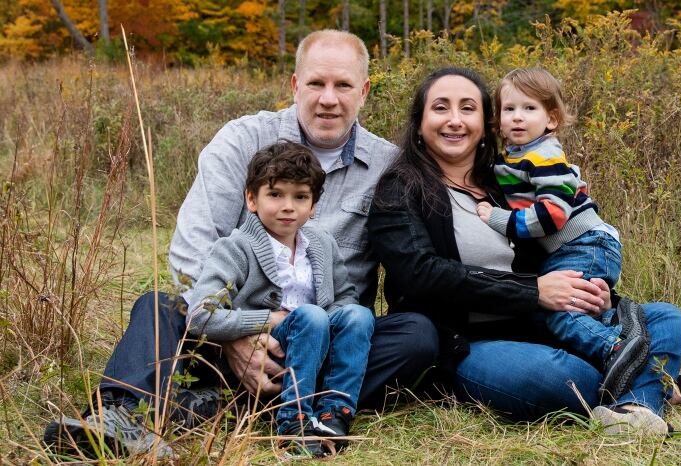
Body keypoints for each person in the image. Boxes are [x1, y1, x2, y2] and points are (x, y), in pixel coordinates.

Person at [43, 29, 438, 457]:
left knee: (415, 336)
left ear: (363, 91)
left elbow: (410, 257)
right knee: (159, 307)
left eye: (343, 85)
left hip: (325, 342)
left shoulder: (387, 165)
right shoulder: (241, 141)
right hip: (222, 334)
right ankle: (121, 414)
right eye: (316, 83)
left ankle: (241, 408)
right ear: (294, 85)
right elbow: (191, 252)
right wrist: (238, 336)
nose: (329, 99)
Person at [367, 67, 681, 436]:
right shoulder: (400, 189)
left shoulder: (508, 181)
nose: (455, 120)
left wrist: (589, 291)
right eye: (440, 108)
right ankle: (656, 383)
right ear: (419, 122)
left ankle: (638, 406)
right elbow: (421, 274)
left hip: (540, 322)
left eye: (468, 108)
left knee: (666, 317)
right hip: (468, 342)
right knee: (564, 376)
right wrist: (536, 291)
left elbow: (561, 244)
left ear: (485, 122)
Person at [188, 141, 373, 458]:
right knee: (312, 316)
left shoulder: (322, 243)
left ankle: (334, 414)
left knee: (359, 315)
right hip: (266, 349)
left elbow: (344, 295)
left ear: (313, 205)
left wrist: (334, 321)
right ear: (251, 199)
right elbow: (200, 316)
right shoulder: (236, 249)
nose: (288, 206)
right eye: (275, 195)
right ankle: (293, 423)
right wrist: (267, 319)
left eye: (300, 197)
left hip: (316, 339)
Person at [474, 67, 647, 402]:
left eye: (529, 108)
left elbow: (552, 215)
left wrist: (496, 218)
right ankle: (624, 336)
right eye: (508, 110)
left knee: (563, 312)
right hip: (575, 246)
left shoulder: (545, 156)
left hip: (586, 242)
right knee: (581, 309)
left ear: (551, 119)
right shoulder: (515, 156)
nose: (517, 117)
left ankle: (616, 346)